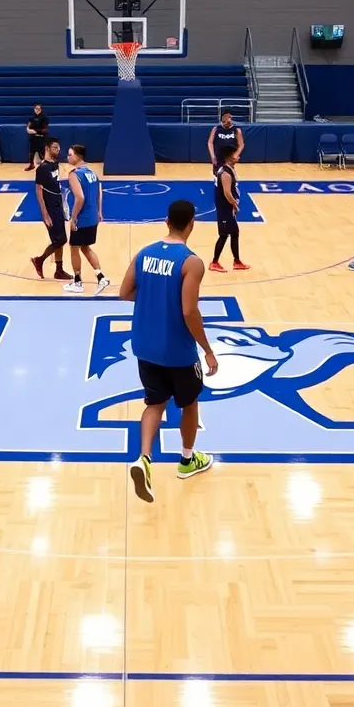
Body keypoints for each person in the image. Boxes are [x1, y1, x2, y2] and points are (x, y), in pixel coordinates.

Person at [121, 200, 219, 503]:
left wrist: (153, 298)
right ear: (192, 224)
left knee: (154, 403)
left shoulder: (144, 253)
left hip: (144, 345)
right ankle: (188, 460)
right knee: (189, 404)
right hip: (177, 350)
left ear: (166, 222)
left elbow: (125, 293)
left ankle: (144, 458)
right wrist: (208, 350)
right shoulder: (191, 262)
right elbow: (190, 311)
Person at [64, 145, 110, 295]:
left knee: (74, 248)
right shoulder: (92, 172)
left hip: (82, 218)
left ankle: (77, 282)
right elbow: (99, 192)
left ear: (78, 156)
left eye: (70, 155)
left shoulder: (74, 174)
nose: (67, 157)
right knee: (86, 247)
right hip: (93, 217)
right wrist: (99, 211)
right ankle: (101, 277)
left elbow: (80, 198)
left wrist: (73, 218)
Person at [29, 137, 73, 281]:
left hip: (57, 205)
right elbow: (38, 191)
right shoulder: (42, 168)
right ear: (47, 149)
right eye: (55, 148)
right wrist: (45, 213)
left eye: (59, 148)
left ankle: (59, 270)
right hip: (50, 209)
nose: (58, 150)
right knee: (60, 240)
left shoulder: (55, 164)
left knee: (60, 239)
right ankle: (39, 260)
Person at [210, 148, 249, 272]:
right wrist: (234, 205)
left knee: (234, 233)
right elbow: (227, 193)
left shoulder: (229, 169)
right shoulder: (225, 173)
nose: (238, 157)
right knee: (223, 235)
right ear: (229, 157)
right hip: (224, 208)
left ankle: (237, 261)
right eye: (236, 155)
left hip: (227, 208)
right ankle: (214, 262)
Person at [207, 110, 244, 175]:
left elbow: (241, 145)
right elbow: (210, 143)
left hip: (229, 158)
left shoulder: (236, 130)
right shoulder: (216, 129)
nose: (227, 121)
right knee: (218, 176)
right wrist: (212, 156)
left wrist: (236, 154)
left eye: (229, 118)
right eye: (225, 119)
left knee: (228, 175)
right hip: (218, 157)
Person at [25, 103, 49, 172]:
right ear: (34, 109)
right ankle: (31, 165)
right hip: (33, 138)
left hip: (41, 138)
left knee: (42, 153)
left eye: (39, 109)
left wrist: (35, 131)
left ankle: (45, 166)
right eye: (36, 109)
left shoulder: (44, 118)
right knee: (31, 152)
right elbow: (28, 127)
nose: (37, 110)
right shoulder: (31, 118)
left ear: (41, 110)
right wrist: (28, 129)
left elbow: (44, 129)